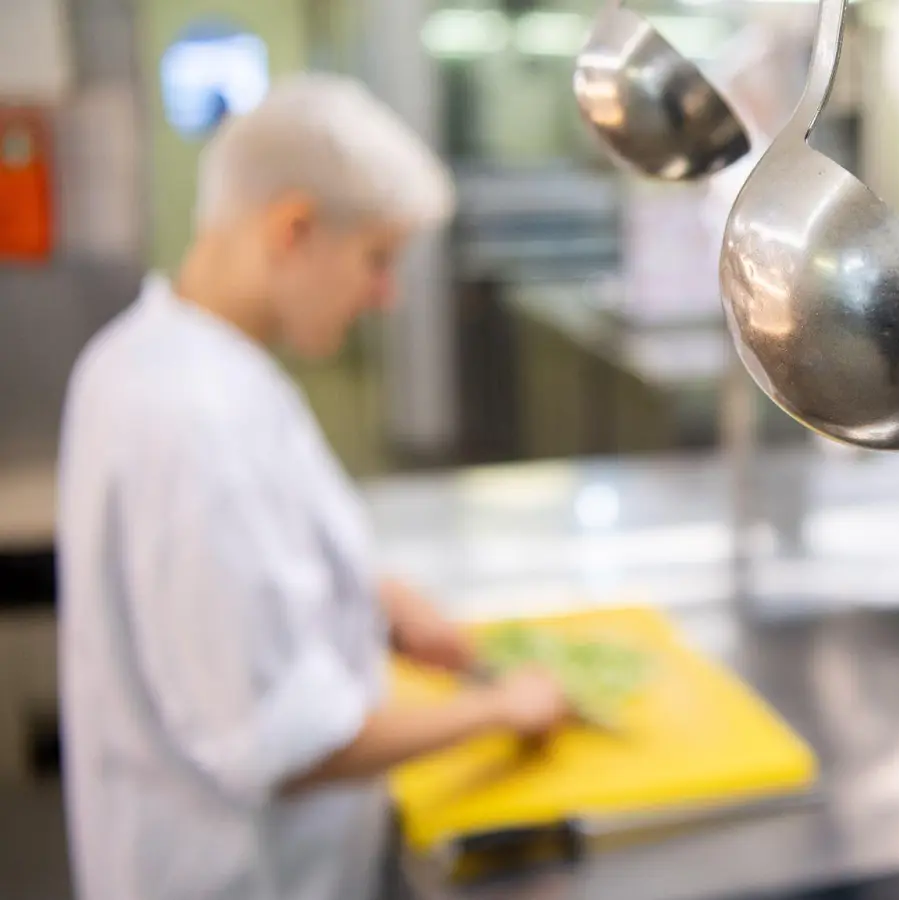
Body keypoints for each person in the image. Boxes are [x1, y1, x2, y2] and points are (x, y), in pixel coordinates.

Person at [55, 73, 569, 900]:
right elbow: (285, 744)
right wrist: (502, 708)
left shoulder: (149, 355)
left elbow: (227, 587)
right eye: (377, 259)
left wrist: (373, 602)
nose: (385, 295)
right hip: (237, 874)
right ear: (293, 228)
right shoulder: (193, 420)